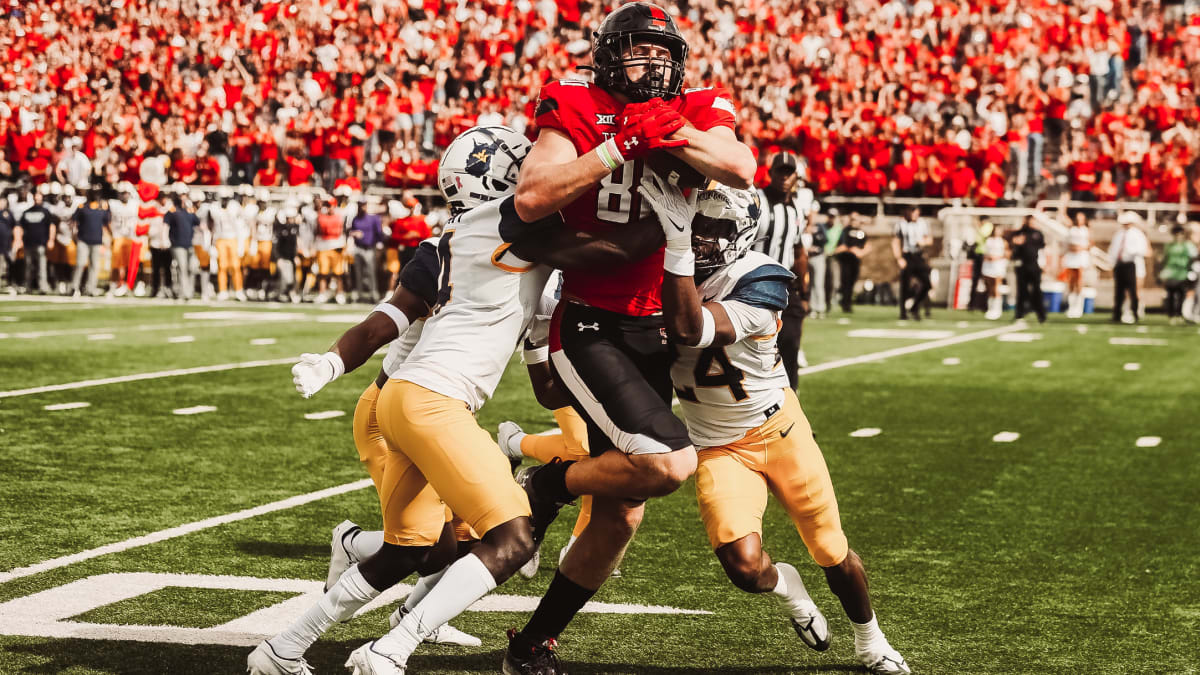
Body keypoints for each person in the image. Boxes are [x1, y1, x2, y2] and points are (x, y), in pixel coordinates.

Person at [249, 126, 662, 675]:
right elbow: (610, 253)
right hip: (435, 400)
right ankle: (390, 649)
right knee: (514, 537)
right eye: (533, 169)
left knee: (410, 548)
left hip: (399, 398)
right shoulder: (512, 222)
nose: (546, 177)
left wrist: (333, 362)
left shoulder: (453, 239)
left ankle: (282, 648)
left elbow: (390, 321)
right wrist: (668, 220)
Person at [506, 4, 756, 672]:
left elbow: (740, 166)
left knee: (621, 514)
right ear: (610, 54)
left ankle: (531, 643)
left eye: (662, 51)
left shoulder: (696, 104)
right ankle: (548, 482)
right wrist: (616, 147)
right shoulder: (576, 101)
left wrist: (670, 131)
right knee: (669, 464)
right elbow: (533, 195)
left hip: (656, 326)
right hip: (592, 320)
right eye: (640, 51)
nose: (655, 63)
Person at [643, 179, 911, 674]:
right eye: (695, 224)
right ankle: (788, 585)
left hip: (778, 431)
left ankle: (871, 640)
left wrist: (675, 252)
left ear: (741, 231)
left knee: (831, 549)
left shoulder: (761, 278)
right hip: (717, 445)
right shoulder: (653, 271)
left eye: (713, 226)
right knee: (744, 568)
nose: (700, 235)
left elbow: (691, 328)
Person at [753, 151, 810, 385]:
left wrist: (804, 291)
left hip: (785, 286)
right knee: (755, 348)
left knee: (790, 344)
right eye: (780, 172)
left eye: (789, 173)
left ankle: (790, 397)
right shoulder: (755, 200)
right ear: (771, 173)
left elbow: (798, 250)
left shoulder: (797, 209)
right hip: (754, 285)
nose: (785, 178)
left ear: (796, 176)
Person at [1109, 212, 1149, 324]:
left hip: (1132, 264)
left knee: (1132, 290)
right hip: (1120, 264)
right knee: (1119, 291)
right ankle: (1117, 313)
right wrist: (1112, 262)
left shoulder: (1137, 234)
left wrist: (1129, 253)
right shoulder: (1118, 234)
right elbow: (1114, 249)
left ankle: (1133, 312)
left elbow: (1143, 250)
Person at [893, 206, 932, 321]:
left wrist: (923, 242)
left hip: (918, 256)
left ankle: (915, 307)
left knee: (927, 284)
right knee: (904, 285)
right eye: (914, 213)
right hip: (907, 256)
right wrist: (899, 258)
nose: (916, 216)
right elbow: (895, 242)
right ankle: (903, 312)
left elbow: (929, 240)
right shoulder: (901, 224)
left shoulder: (922, 223)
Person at [70, 190, 110, 297]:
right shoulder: (82, 207)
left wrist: (108, 239)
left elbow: (106, 224)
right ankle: (74, 287)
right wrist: (74, 235)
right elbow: (73, 221)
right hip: (83, 239)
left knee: (94, 266)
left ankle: (91, 288)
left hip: (96, 241)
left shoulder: (102, 208)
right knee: (80, 264)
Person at [17, 191, 55, 294]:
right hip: (28, 243)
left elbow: (51, 226)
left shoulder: (45, 212)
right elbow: (20, 227)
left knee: (41, 267)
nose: (37, 201)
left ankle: (42, 287)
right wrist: (19, 240)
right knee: (28, 267)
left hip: (41, 243)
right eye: (36, 199)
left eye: (39, 199)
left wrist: (51, 240)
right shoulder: (27, 212)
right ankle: (27, 286)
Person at [1010, 216, 1046, 323]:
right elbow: (1012, 244)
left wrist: (1044, 264)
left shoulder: (1038, 233)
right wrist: (1015, 243)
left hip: (1034, 265)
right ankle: (1020, 313)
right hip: (1021, 266)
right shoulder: (1020, 233)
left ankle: (1041, 314)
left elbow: (1042, 249)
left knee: (1037, 291)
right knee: (1021, 291)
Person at [349, 200, 384, 303]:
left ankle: (373, 294)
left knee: (370, 272)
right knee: (358, 272)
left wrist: (378, 245)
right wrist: (354, 234)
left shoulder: (373, 218)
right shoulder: (355, 219)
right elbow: (351, 231)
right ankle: (359, 294)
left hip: (369, 248)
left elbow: (378, 233)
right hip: (358, 247)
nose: (362, 207)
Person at [165, 195, 199, 301]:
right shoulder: (172, 212)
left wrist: (192, 209)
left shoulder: (189, 212)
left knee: (191, 268)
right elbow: (166, 224)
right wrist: (165, 240)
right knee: (182, 268)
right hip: (177, 245)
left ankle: (189, 290)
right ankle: (185, 293)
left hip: (189, 244)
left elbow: (197, 222)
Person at [1160, 226, 1196, 326]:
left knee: (1181, 295)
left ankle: (1179, 314)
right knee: (1170, 295)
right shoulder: (1169, 246)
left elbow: (1193, 257)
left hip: (1183, 272)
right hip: (1170, 272)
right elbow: (1165, 259)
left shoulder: (1188, 245)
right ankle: (1171, 315)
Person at [107, 184, 139, 296]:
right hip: (118, 236)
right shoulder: (113, 204)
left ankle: (128, 285)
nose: (125, 195)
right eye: (123, 193)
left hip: (131, 237)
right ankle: (113, 284)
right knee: (115, 264)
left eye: (126, 193)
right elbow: (108, 221)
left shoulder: (135, 204)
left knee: (129, 264)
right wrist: (111, 234)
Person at [834, 214, 868, 313]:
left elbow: (866, 245)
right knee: (846, 282)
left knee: (852, 282)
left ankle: (848, 302)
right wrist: (851, 249)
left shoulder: (861, 232)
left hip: (855, 261)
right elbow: (843, 245)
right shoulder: (846, 231)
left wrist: (861, 252)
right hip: (846, 260)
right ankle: (845, 304)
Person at [1063, 213, 1092, 318]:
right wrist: (1074, 248)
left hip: (1081, 257)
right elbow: (1067, 243)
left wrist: (1080, 248)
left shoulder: (1086, 230)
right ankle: (1071, 305)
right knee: (1071, 281)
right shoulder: (1071, 230)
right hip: (1072, 257)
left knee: (1079, 280)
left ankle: (1079, 307)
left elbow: (1089, 244)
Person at [982, 225, 1009, 320]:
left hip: (998, 266)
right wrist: (988, 257)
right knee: (990, 287)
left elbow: (1007, 254)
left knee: (996, 286)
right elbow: (984, 252)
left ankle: (997, 309)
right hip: (988, 266)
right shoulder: (989, 240)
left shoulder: (1003, 242)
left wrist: (997, 257)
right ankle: (990, 308)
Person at [0, 194, 15, 293]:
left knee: (7, 266)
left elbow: (15, 227)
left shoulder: (9, 213)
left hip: (7, 244)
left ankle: (6, 284)